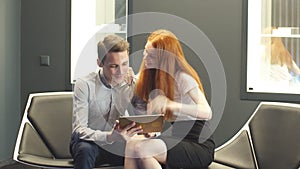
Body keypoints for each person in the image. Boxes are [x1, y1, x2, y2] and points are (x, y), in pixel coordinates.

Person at [124, 29, 215, 169]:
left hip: (198, 144)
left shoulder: (183, 78)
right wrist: (127, 83)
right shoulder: (152, 77)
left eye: (151, 55)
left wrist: (171, 105)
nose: (145, 56)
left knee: (143, 149)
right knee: (132, 144)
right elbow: (144, 108)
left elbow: (207, 112)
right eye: (145, 50)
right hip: (176, 139)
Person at [70, 34, 143, 169]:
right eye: (114, 66)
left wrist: (136, 88)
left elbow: (144, 118)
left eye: (125, 64)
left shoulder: (132, 83)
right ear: (100, 63)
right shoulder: (85, 84)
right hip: (90, 143)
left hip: (119, 143)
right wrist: (109, 137)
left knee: (147, 149)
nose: (121, 71)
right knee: (84, 150)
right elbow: (79, 130)